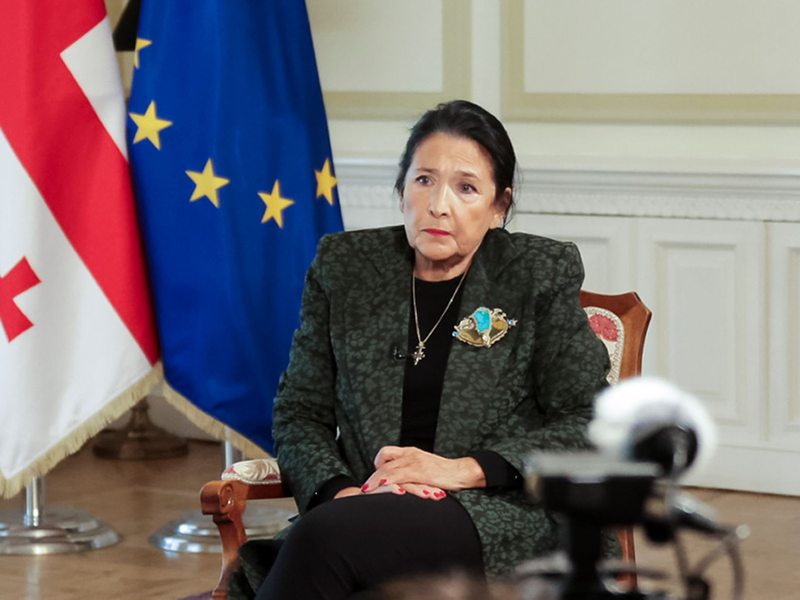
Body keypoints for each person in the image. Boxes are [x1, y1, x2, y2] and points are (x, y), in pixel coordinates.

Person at [250, 100, 611, 600]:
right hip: (364, 511)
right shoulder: (345, 268)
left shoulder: (536, 273)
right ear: (401, 191)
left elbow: (590, 421)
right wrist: (340, 494)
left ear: (498, 207)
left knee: (325, 542)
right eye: (424, 180)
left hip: (497, 513)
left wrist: (460, 470)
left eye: (466, 187)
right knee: (336, 540)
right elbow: (299, 412)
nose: (439, 204)